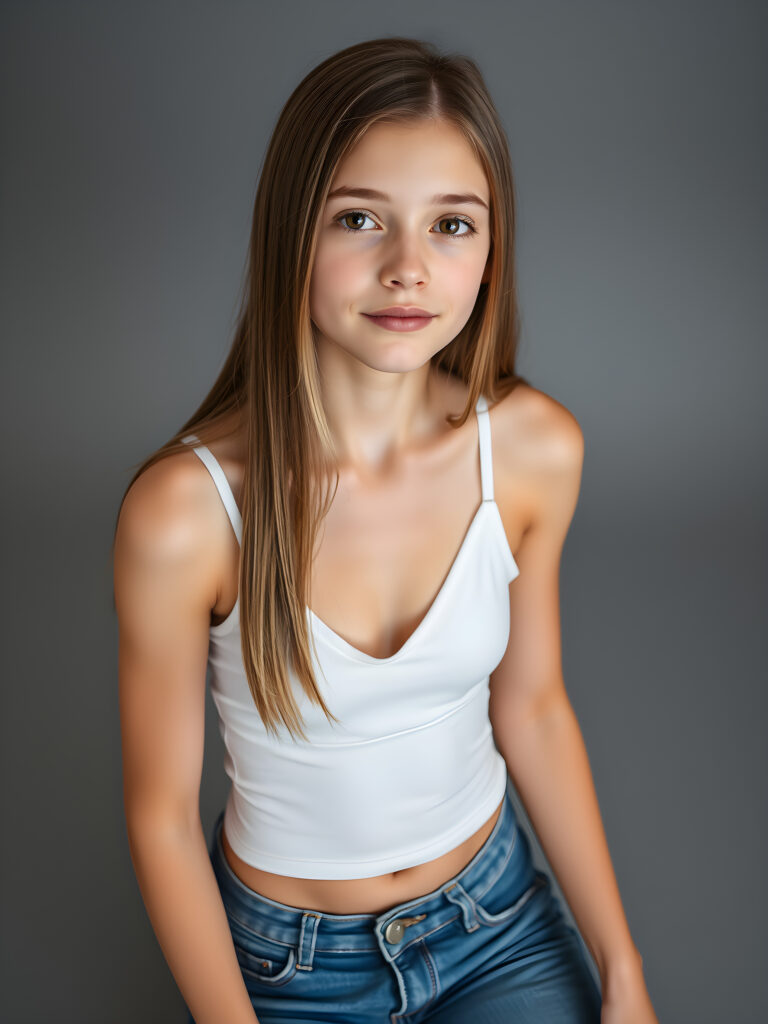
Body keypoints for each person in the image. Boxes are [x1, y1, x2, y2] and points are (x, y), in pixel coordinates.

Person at [112, 36, 658, 1024]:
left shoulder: (532, 450)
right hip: (291, 962)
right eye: (360, 218)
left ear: (492, 252)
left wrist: (623, 971)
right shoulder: (187, 513)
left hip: (496, 917)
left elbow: (532, 708)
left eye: (453, 224)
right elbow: (158, 816)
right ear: (292, 234)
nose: (410, 268)